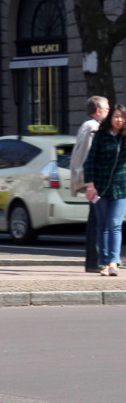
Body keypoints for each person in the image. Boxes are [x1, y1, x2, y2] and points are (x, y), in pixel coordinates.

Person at [84, 103, 126, 276]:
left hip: (121, 188)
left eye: (122, 117)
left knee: (115, 225)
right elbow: (89, 162)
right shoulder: (101, 137)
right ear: (110, 118)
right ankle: (103, 262)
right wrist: (91, 186)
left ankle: (113, 263)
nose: (119, 120)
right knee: (103, 226)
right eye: (116, 116)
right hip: (100, 188)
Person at [71, 96, 110, 272]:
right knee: (97, 219)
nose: (109, 112)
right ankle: (95, 261)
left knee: (98, 218)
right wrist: (91, 183)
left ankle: (99, 259)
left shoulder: (90, 126)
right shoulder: (92, 127)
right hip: (96, 182)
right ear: (98, 111)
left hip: (94, 181)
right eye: (107, 109)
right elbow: (89, 156)